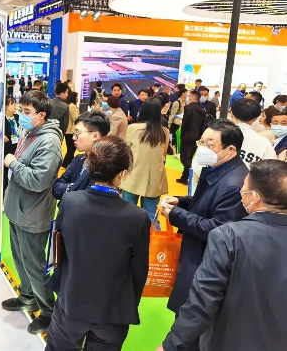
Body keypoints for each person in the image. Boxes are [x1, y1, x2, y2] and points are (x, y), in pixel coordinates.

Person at [158, 159, 287, 351]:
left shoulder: (229, 237)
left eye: (244, 187)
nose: (241, 190)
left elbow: (203, 301)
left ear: (255, 197)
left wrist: (170, 344)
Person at [46, 136, 150, 351]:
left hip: (71, 301)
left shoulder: (70, 201)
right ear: (122, 174)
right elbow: (139, 271)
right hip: (112, 311)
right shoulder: (137, 217)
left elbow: (58, 250)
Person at [161, 119, 248, 324]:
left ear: (230, 149)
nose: (202, 148)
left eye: (209, 144)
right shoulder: (218, 167)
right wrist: (182, 202)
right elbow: (207, 202)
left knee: (191, 317)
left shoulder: (235, 184)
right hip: (196, 250)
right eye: (201, 142)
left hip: (206, 260)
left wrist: (176, 215)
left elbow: (218, 228)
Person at [2, 90, 63, 334]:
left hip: (32, 214)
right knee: (20, 259)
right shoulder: (31, 132)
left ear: (42, 115)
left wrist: (13, 164)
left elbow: (38, 181)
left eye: (27, 112)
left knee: (35, 266)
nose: (22, 116)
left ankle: (48, 312)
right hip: (18, 209)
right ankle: (28, 297)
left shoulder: (49, 142)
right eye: (21, 110)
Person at [122, 99, 169, 227]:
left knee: (127, 213)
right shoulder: (164, 131)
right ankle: (151, 238)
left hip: (133, 176)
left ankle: (127, 237)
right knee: (151, 215)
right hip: (155, 178)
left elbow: (126, 151)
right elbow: (164, 154)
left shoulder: (133, 128)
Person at [52, 111, 110, 202]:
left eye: (77, 133)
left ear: (95, 136)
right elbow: (56, 188)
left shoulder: (105, 165)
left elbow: (88, 198)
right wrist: (78, 188)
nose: (73, 138)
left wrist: (69, 187)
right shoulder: (78, 159)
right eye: (73, 133)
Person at [230, 99, 276, 166]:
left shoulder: (218, 134)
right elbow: (273, 167)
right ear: (255, 119)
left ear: (231, 114)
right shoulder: (264, 143)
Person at [177, 90, 207, 185]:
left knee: (184, 159)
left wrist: (182, 135)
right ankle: (184, 177)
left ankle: (196, 173)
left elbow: (185, 124)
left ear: (193, 98)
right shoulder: (202, 109)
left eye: (189, 96)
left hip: (187, 137)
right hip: (197, 137)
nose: (188, 98)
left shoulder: (189, 108)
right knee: (189, 158)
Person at [4, 96, 20, 192]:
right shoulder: (1, 120)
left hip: (18, 148)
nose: (15, 105)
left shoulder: (18, 118)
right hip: (7, 150)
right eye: (12, 103)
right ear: (6, 106)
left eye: (15, 103)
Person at [62, 91, 80, 168]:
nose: (77, 98)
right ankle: (65, 163)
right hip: (71, 130)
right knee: (72, 148)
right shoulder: (72, 106)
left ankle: (69, 163)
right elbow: (75, 118)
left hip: (69, 130)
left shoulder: (70, 105)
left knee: (70, 147)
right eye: (77, 97)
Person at [168, 88, 187, 153]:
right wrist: (169, 124)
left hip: (181, 123)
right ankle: (172, 150)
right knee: (174, 138)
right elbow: (172, 114)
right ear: (183, 93)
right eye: (186, 93)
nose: (187, 94)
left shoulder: (184, 102)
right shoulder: (177, 102)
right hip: (175, 123)